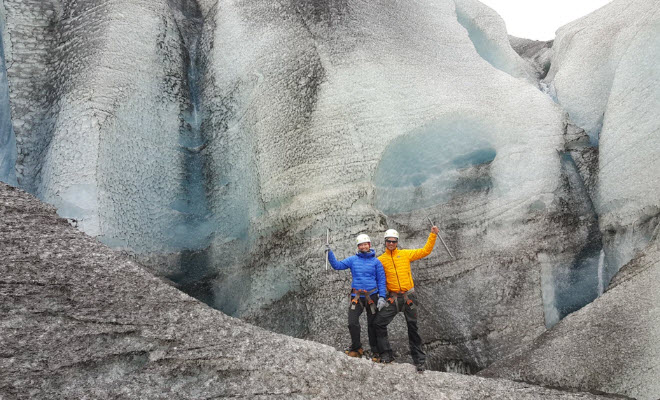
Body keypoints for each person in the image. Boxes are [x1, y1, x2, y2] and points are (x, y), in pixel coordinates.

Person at [374, 226, 439, 372]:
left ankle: (419, 361)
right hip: (394, 298)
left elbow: (425, 251)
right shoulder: (380, 260)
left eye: (393, 241)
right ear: (385, 242)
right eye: (388, 241)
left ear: (397, 242)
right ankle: (386, 354)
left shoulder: (405, 254)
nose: (391, 243)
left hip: (409, 297)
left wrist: (433, 235)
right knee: (379, 323)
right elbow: (372, 272)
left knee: (413, 327)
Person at [326, 234, 387, 359]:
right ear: (358, 247)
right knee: (352, 322)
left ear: (369, 245)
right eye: (361, 245)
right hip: (357, 297)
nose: (363, 246)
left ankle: (375, 350)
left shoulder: (376, 262)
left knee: (372, 324)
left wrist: (382, 297)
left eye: (366, 244)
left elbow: (381, 280)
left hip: (372, 296)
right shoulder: (353, 260)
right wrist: (329, 253)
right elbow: (337, 265)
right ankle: (356, 347)